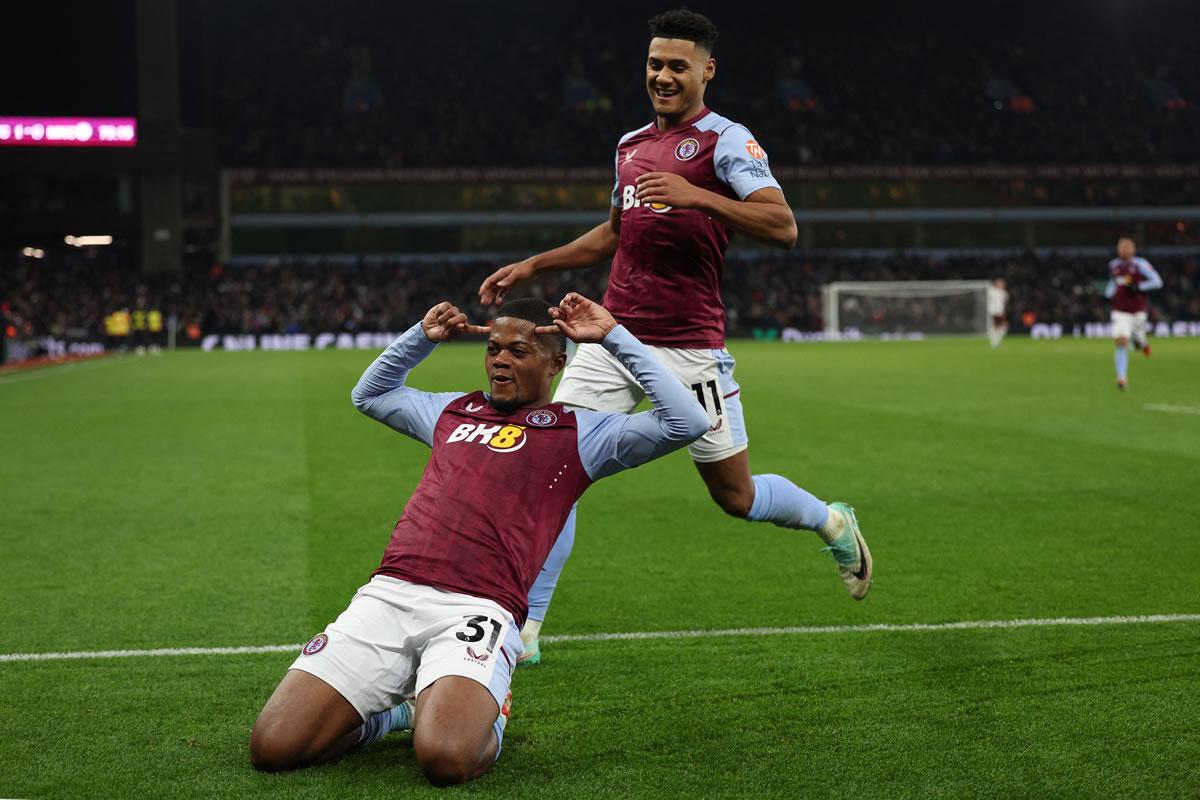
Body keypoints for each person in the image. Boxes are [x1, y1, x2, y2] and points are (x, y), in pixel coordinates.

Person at [478, 8, 872, 666]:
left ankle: (832, 522)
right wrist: (537, 263)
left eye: (677, 67)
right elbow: (612, 233)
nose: (662, 76)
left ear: (706, 71)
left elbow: (782, 225)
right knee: (551, 466)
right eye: (655, 65)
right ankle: (528, 627)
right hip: (609, 338)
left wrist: (701, 198)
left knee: (735, 497)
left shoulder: (726, 142)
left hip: (689, 348)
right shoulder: (629, 146)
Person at [249, 294, 707, 786]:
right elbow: (370, 395)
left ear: (555, 363)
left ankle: (491, 708)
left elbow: (689, 421)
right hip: (389, 595)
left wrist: (614, 336)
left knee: (446, 759)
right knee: (273, 746)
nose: (500, 361)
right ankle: (390, 716)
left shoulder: (582, 434)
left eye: (518, 351)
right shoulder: (453, 410)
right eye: (493, 349)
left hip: (477, 609)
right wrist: (420, 339)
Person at [1105, 237, 1162, 390]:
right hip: (1119, 311)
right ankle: (1122, 378)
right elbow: (1114, 283)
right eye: (1121, 247)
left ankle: (1142, 343)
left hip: (1137, 311)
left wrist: (1139, 286)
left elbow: (1157, 281)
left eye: (1127, 247)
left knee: (1137, 339)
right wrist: (1106, 295)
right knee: (1121, 341)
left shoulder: (1140, 264)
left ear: (1133, 250)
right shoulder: (1113, 265)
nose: (1124, 250)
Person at [987, 278, 1009, 348]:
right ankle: (994, 342)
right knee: (999, 326)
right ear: (996, 284)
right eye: (1000, 283)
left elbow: (1004, 302)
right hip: (995, 312)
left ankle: (995, 342)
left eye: (1002, 284)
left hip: (1000, 312)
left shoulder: (1004, 293)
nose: (1002, 285)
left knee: (1001, 327)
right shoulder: (993, 291)